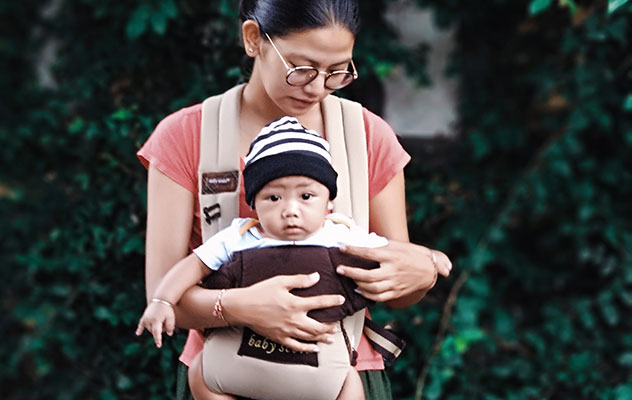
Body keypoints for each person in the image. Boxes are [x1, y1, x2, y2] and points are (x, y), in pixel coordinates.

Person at [136, 1, 453, 399]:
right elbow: (164, 299)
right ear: (254, 39)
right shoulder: (186, 137)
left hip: (338, 377)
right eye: (301, 68)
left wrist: (420, 274)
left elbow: (396, 284)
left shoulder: (366, 137)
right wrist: (241, 307)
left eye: (338, 72)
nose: (318, 87)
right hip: (225, 378)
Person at [138, 116, 441, 399]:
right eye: (274, 197)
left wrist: (429, 260)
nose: (290, 209)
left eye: (306, 196)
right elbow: (192, 266)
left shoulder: (342, 235)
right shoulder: (240, 235)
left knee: (350, 382)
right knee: (200, 373)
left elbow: (396, 257)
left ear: (329, 203)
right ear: (253, 203)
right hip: (236, 364)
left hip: (324, 370)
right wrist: (163, 301)